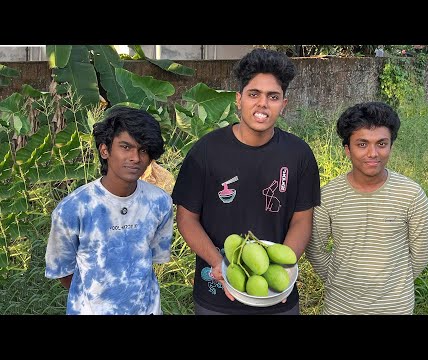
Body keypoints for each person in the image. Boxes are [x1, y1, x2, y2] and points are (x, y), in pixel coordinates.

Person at [172, 48, 321, 315]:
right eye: (254, 94)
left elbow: (302, 220)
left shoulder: (299, 155)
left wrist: (282, 271)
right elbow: (186, 218)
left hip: (277, 298)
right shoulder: (205, 152)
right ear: (239, 100)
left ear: (283, 104)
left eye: (273, 97)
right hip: (216, 297)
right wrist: (219, 263)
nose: (263, 104)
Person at [305, 101, 428, 315]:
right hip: (340, 307)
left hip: (395, 308)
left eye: (381, 144)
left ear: (391, 146)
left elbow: (421, 253)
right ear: (347, 149)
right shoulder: (328, 195)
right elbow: (315, 248)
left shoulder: (411, 194)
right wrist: (338, 278)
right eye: (362, 144)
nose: (373, 153)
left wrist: (393, 285)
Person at [45, 106, 173, 315]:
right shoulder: (73, 208)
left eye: (143, 150)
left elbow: (153, 257)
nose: (135, 158)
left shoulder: (160, 202)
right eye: (126, 147)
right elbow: (63, 271)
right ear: (105, 150)